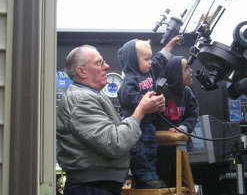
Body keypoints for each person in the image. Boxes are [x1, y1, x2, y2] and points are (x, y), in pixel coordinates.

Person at [56, 45, 166, 195]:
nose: (106, 66)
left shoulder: (91, 96)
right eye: (99, 63)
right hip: (91, 188)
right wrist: (141, 110)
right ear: (81, 71)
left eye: (104, 62)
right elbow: (114, 143)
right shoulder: (82, 100)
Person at [117, 36, 180, 189]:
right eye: (146, 59)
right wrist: (146, 101)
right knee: (140, 152)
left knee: (151, 149)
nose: (150, 62)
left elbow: (160, 59)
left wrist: (170, 45)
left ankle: (150, 175)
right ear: (132, 60)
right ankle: (144, 177)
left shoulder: (150, 71)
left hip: (149, 124)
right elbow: (126, 97)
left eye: (149, 58)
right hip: (137, 125)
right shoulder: (130, 79)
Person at [154, 56, 199, 187]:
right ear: (176, 74)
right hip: (159, 151)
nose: (191, 71)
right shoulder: (160, 92)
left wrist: (183, 128)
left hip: (179, 148)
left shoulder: (187, 92)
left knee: (183, 184)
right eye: (186, 69)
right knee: (163, 185)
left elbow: (193, 113)